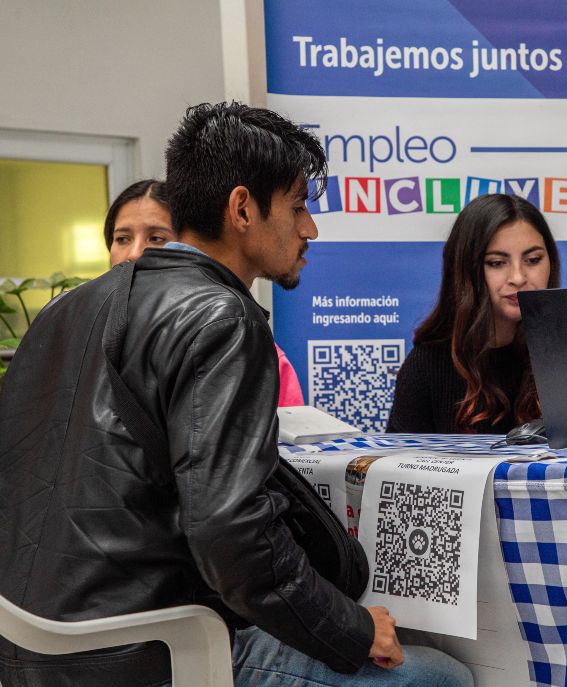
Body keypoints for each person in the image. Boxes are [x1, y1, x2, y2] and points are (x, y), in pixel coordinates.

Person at [0, 102, 472, 687]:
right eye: (299, 206)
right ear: (243, 208)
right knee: (440, 678)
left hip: (30, 650)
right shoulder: (221, 318)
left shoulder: (60, 311)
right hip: (153, 651)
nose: (311, 229)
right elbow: (232, 535)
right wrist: (351, 628)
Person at [104, 178, 306, 407]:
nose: (134, 252)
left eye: (157, 238)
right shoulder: (86, 334)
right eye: (122, 239)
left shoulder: (246, 349)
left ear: (189, 245)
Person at [387, 193, 560, 434]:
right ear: (466, 270)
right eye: (497, 263)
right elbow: (395, 468)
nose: (519, 277)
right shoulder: (426, 367)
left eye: (533, 259)